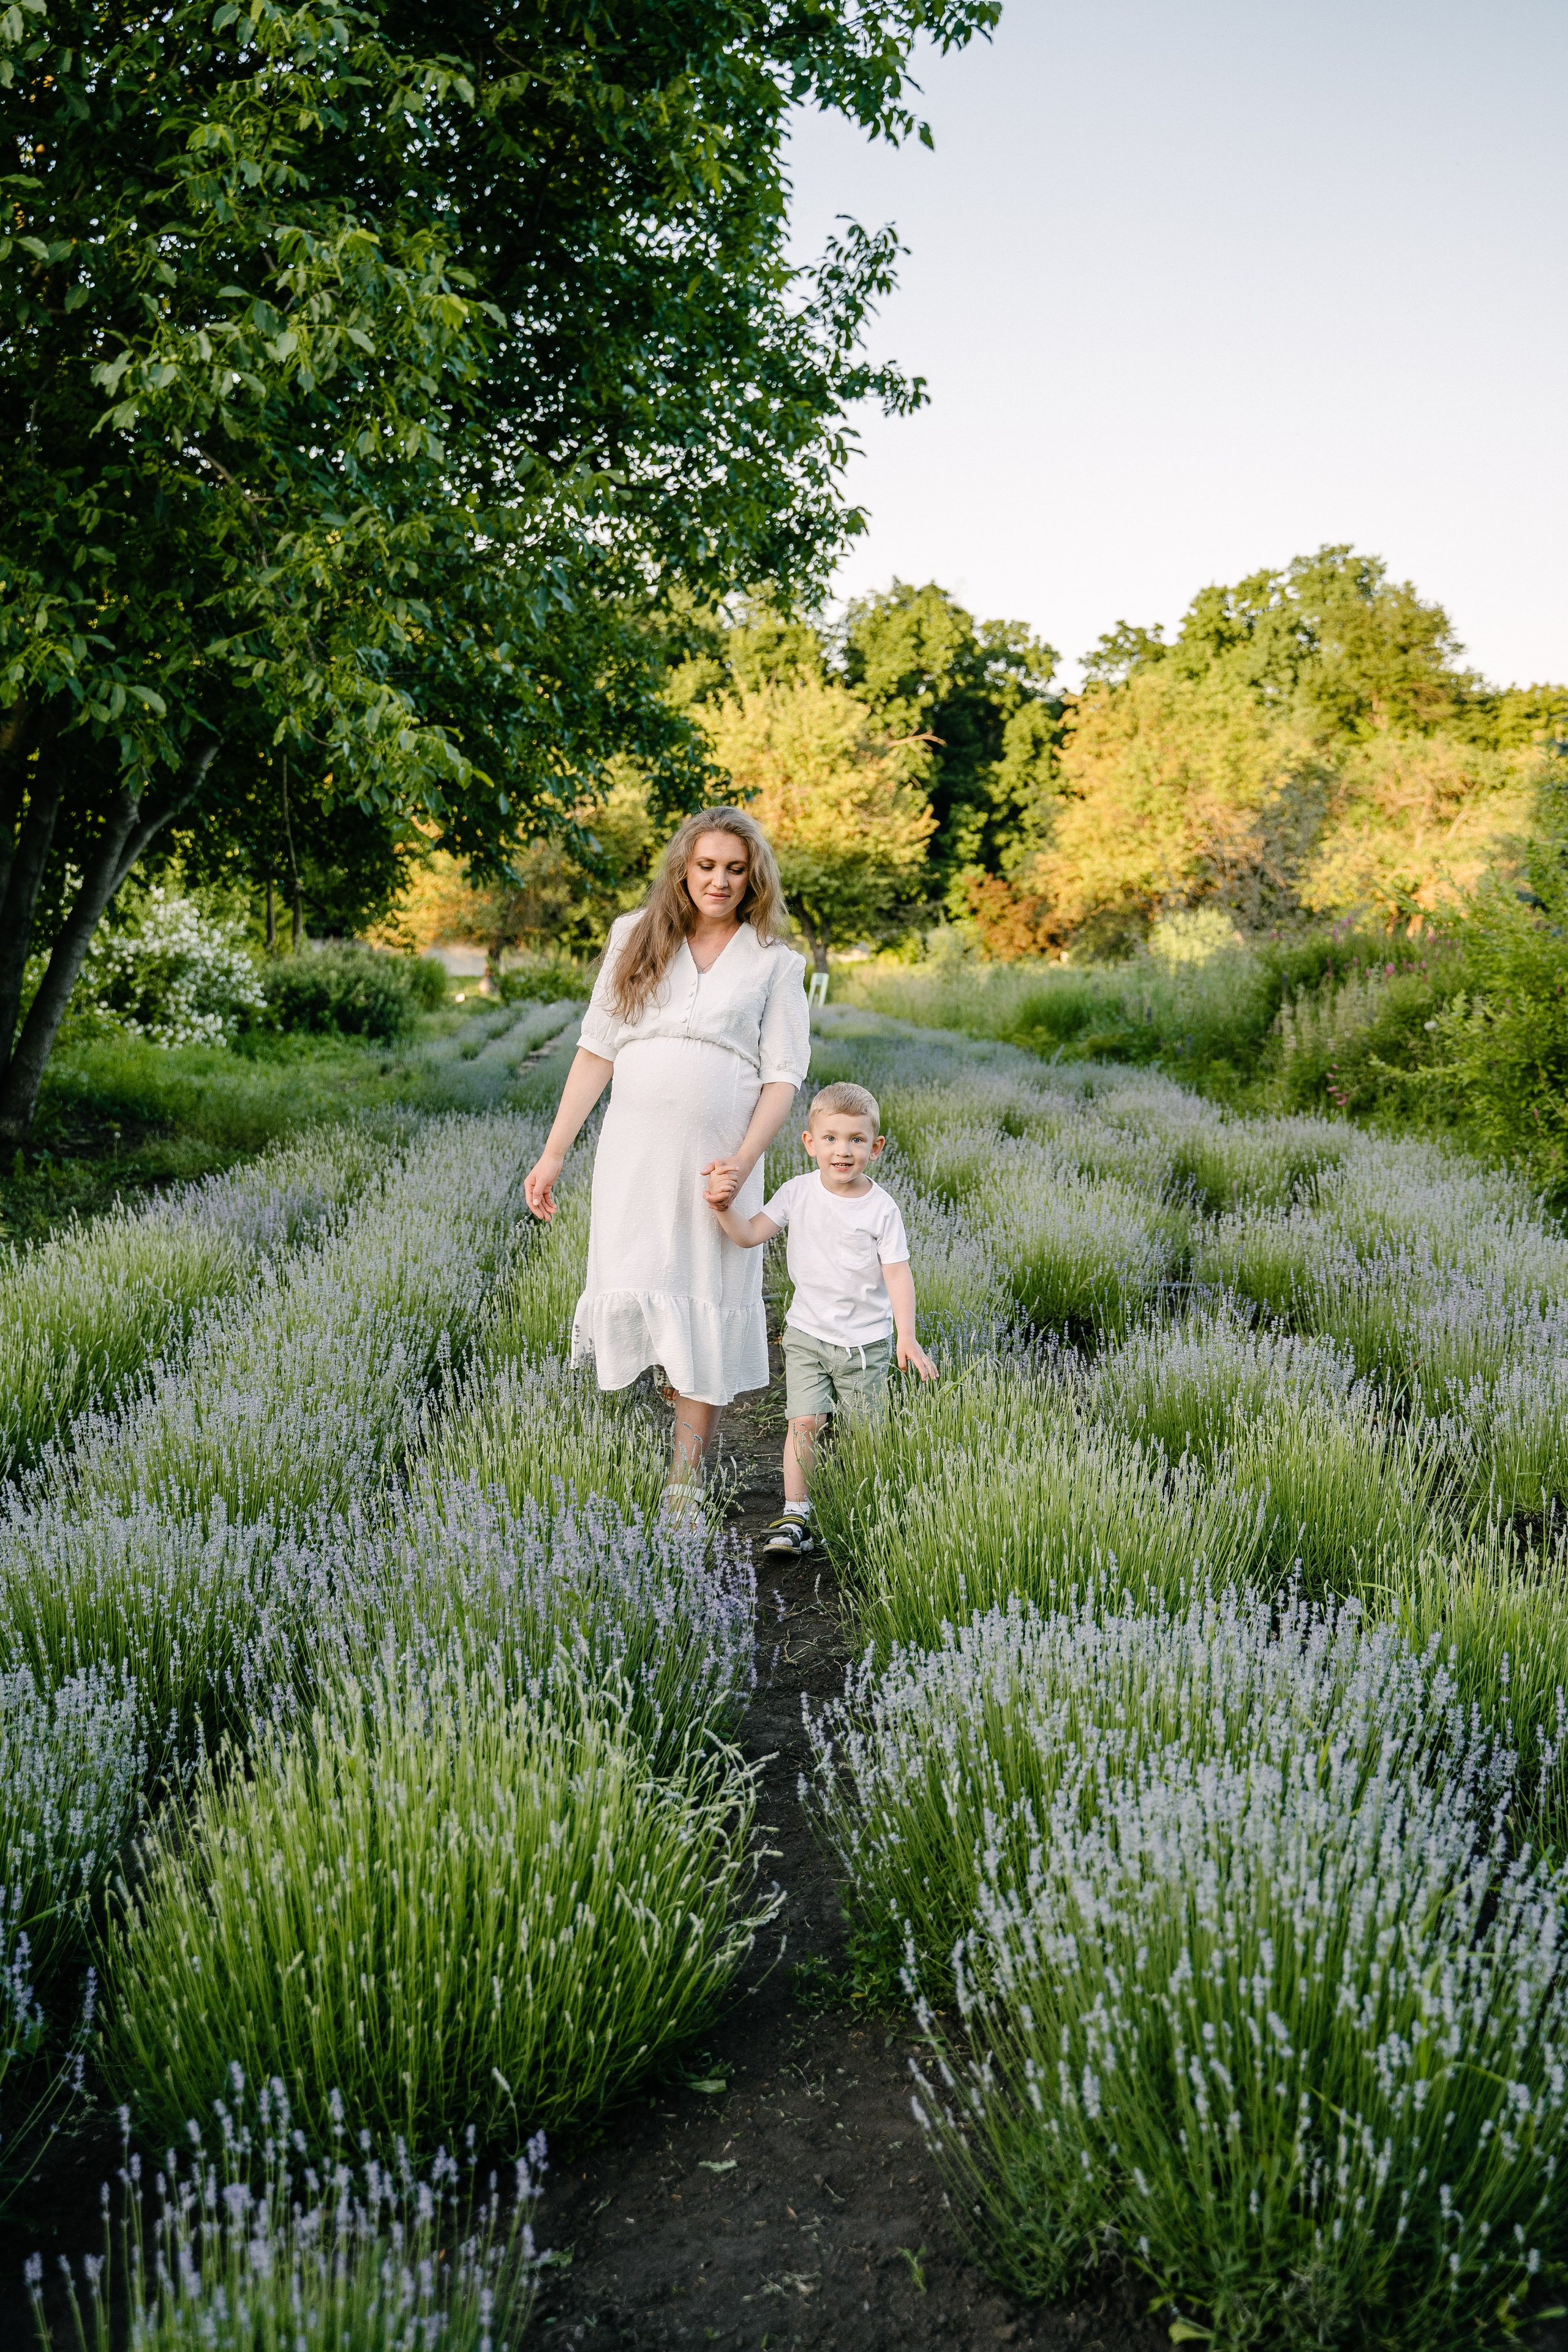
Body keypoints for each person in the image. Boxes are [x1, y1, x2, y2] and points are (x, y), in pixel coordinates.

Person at [522, 808, 810, 1498]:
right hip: (635, 1152)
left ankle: (682, 1484)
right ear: (684, 867)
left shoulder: (775, 961)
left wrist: (742, 1160)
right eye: (707, 866)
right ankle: (670, 1407)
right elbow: (596, 1049)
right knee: (644, 1288)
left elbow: (783, 1076)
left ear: (753, 878)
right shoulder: (634, 935)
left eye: (735, 869)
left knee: (704, 1298)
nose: (720, 880)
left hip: (718, 1159)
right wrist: (554, 1153)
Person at [707, 1080, 937, 1556]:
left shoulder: (881, 1209)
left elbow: (898, 1274)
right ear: (810, 1143)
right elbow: (749, 1235)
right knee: (803, 1423)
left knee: (865, 1432)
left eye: (856, 1140)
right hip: (808, 1336)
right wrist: (724, 1209)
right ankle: (796, 1515)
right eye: (831, 1138)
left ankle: (864, 1510)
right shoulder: (798, 1193)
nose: (843, 1151)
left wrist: (906, 1337)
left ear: (876, 1148)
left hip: (865, 1345)